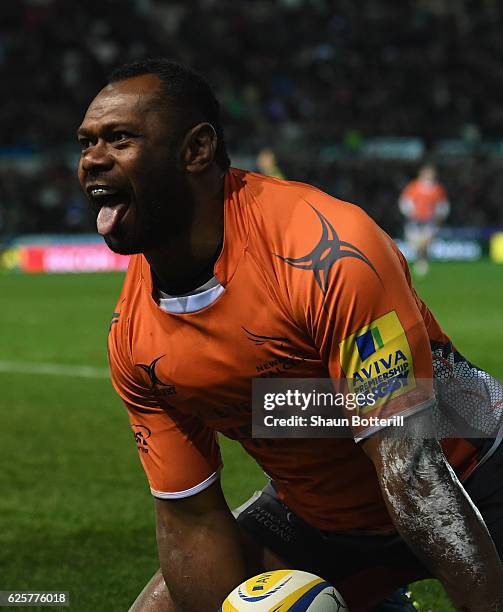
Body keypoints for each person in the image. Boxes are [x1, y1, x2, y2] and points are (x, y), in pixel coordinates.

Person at [77, 59, 503, 612]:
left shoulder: (325, 250)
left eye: (120, 139)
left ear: (196, 150)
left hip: (469, 472)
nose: (92, 160)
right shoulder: (134, 337)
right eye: (86, 143)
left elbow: (414, 470)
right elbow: (190, 519)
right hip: (320, 516)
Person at [398, 164, 450, 276]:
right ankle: (420, 261)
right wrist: (409, 212)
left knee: (426, 242)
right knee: (414, 244)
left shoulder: (437, 189)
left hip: (429, 220)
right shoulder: (413, 187)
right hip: (415, 220)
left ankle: (422, 262)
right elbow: (405, 201)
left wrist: (440, 216)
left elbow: (442, 205)